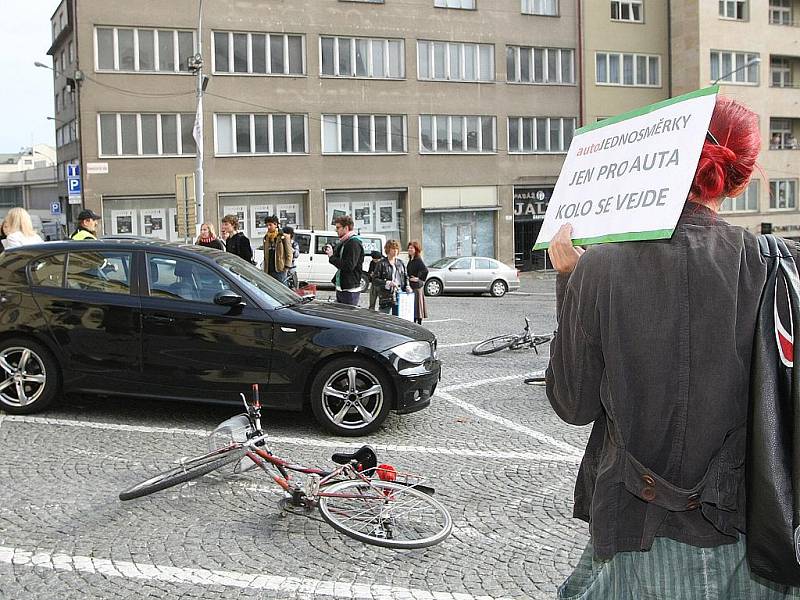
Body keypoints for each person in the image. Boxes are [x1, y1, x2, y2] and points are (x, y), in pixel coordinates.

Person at [546, 96, 800, 598]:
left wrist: (571, 283)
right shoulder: (772, 263)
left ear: (667, 159)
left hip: (637, 531)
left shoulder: (599, 268)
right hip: (750, 537)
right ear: (740, 177)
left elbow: (572, 404)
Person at [325, 215, 364, 305]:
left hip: (350, 288)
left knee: (347, 316)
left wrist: (332, 257)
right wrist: (332, 253)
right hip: (342, 286)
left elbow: (349, 266)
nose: (336, 230)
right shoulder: (344, 241)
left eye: (338, 228)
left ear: (346, 228)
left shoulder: (353, 242)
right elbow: (338, 259)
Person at [372, 239, 411, 315]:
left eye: (396, 249)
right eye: (393, 249)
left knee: (399, 317)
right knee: (384, 317)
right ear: (388, 249)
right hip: (386, 295)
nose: (395, 251)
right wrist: (387, 282)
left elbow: (406, 277)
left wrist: (408, 286)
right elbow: (374, 280)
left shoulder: (400, 263)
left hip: (400, 293)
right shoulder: (381, 263)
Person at [262, 215, 292, 284]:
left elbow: (289, 253)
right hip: (269, 269)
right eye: (267, 225)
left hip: (280, 269)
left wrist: (286, 267)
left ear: (276, 224)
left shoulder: (283, 237)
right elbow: (265, 254)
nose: (268, 227)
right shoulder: (266, 237)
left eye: (270, 225)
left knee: (282, 287)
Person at [406, 241, 428, 325]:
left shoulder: (418, 260)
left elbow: (425, 270)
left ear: (416, 249)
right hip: (412, 286)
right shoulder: (411, 259)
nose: (409, 249)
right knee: (414, 307)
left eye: (412, 248)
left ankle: (419, 324)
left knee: (418, 307)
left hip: (417, 287)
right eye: (409, 248)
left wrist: (418, 278)